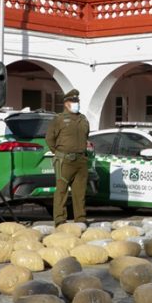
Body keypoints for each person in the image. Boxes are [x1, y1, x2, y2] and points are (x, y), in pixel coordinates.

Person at [45, 89, 90, 226]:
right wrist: (59, 152)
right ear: (66, 103)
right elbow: (49, 138)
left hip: (81, 160)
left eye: (77, 101)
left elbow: (86, 136)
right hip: (64, 160)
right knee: (62, 190)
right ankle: (59, 219)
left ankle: (80, 219)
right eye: (73, 101)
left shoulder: (83, 119)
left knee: (80, 192)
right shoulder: (59, 119)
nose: (76, 104)